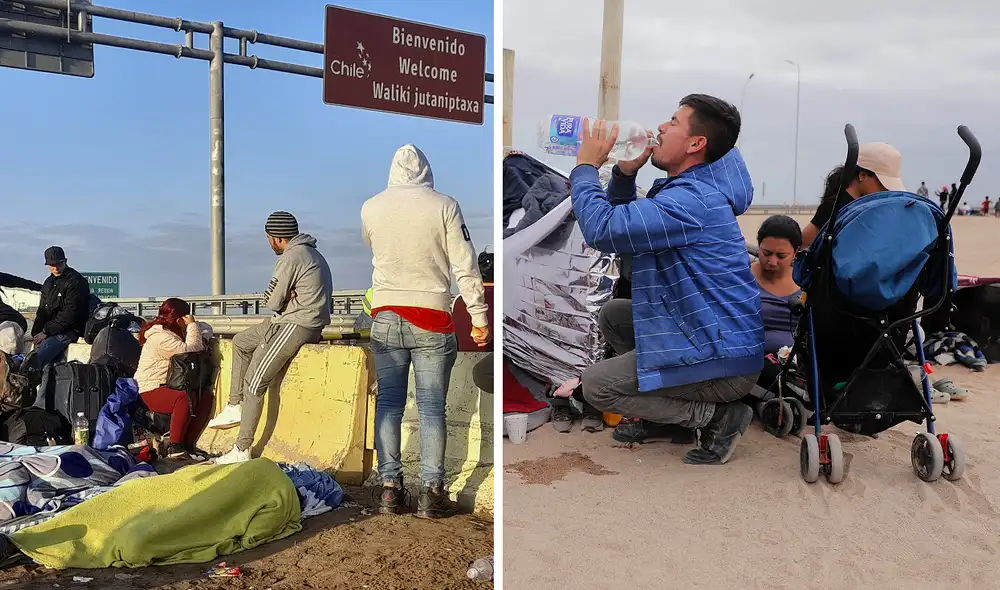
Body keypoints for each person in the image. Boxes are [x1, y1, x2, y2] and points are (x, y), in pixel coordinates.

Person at [572, 94, 764, 465]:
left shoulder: (693, 202)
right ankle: (664, 415)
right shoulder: (688, 193)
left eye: (673, 122)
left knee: (597, 386)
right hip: (704, 335)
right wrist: (625, 175)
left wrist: (585, 168)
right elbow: (626, 228)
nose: (660, 127)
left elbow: (602, 229)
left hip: (721, 360)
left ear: (696, 144)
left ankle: (717, 417)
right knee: (614, 314)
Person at [362, 144, 489, 518]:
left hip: (384, 317)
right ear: (427, 171)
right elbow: (465, 265)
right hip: (431, 316)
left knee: (389, 405)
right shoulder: (444, 205)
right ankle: (431, 495)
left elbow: (374, 244)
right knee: (432, 408)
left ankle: (389, 489)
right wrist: (478, 317)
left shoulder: (370, 207)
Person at [208, 212, 333, 464]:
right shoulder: (313, 254)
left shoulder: (291, 258)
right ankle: (235, 406)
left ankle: (242, 449)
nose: (269, 244)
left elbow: (273, 301)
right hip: (293, 319)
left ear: (277, 238)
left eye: (268, 238)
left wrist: (279, 299)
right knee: (241, 342)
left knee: (254, 383)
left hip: (294, 323)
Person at [134, 298, 213, 460]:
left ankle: (188, 444)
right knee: (183, 398)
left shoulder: (174, 333)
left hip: (168, 385)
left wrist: (196, 330)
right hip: (150, 389)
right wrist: (191, 327)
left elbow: (206, 328)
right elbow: (190, 350)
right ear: (179, 320)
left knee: (205, 397)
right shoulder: (161, 337)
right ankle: (174, 445)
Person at [801, 142, 905, 248]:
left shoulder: (864, 208)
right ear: (862, 176)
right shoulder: (834, 208)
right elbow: (806, 241)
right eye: (882, 184)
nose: (886, 191)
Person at [28, 247, 90, 387]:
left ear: (65, 261)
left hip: (70, 330)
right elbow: (42, 310)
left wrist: (46, 331)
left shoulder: (76, 281)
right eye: (52, 265)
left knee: (38, 359)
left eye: (59, 263)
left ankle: (36, 399)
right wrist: (37, 332)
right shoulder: (48, 283)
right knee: (35, 357)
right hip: (51, 330)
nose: (55, 268)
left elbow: (70, 314)